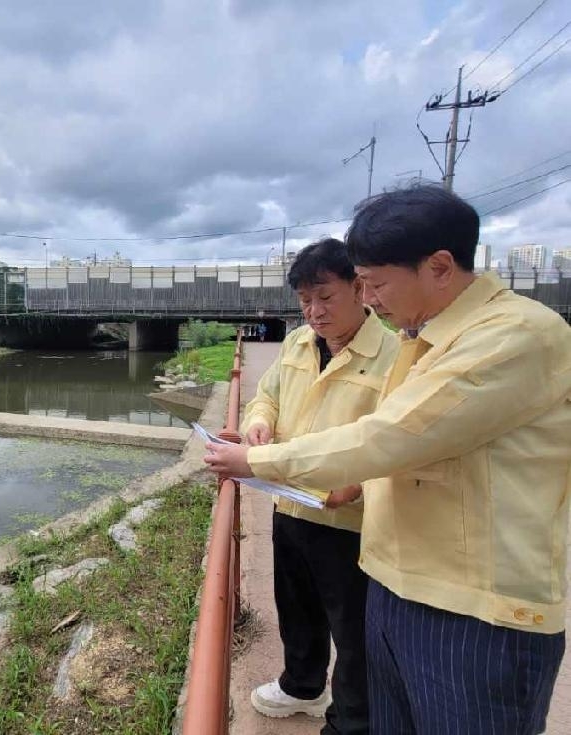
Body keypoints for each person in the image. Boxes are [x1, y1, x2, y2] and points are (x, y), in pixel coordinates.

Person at [205, 185, 571, 734]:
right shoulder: (423, 335)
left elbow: (389, 437)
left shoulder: (512, 337)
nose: (371, 298)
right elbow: (282, 400)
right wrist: (262, 434)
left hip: (473, 608)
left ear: (439, 267)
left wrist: (257, 463)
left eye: (375, 284)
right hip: (395, 577)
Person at [245, 238, 398, 734]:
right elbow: (265, 398)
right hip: (290, 505)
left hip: (348, 521)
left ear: (359, 288)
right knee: (296, 605)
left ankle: (351, 722)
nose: (315, 311)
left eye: (325, 297)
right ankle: (302, 686)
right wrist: (258, 426)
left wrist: (360, 485)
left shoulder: (394, 356)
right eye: (305, 301)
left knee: (353, 630)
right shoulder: (295, 344)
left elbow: (404, 445)